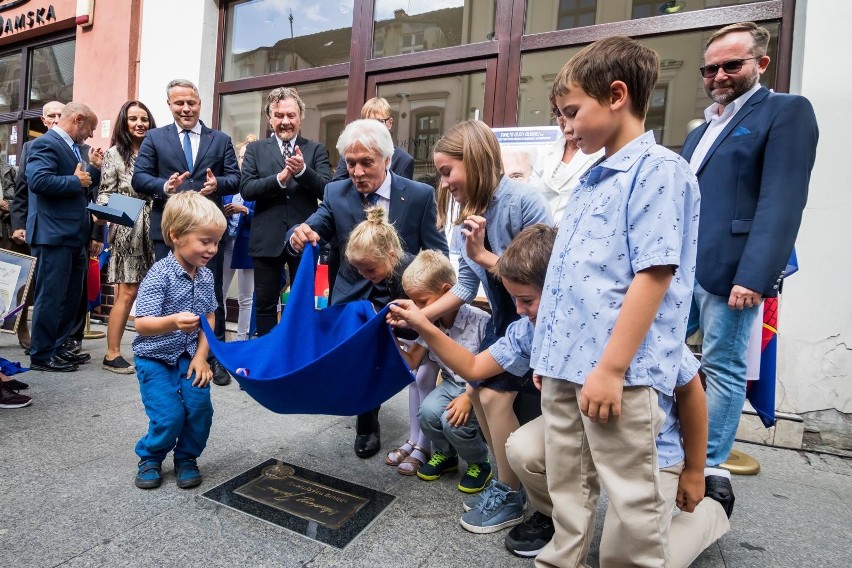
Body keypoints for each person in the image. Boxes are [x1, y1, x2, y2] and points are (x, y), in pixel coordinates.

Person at [529, 36, 700, 567]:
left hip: (617, 373)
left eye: (572, 112)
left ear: (617, 95)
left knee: (633, 499)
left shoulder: (659, 171)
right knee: (567, 482)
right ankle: (562, 558)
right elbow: (571, 278)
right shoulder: (589, 181)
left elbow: (653, 275)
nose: (566, 126)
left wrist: (611, 367)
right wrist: (547, 354)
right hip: (565, 364)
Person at [681, 22, 819, 488]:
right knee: (656, 352)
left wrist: (756, 275)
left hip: (733, 273)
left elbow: (782, 201)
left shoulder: (785, 111)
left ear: (760, 64)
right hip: (683, 271)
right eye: (710, 67)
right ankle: (672, 441)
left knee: (722, 366)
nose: (719, 74)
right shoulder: (701, 131)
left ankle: (711, 461)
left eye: (731, 64)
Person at [412, 119, 551, 533]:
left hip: (532, 320)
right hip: (502, 324)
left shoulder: (525, 201)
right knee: (482, 397)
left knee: (492, 400)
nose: (444, 182)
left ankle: (510, 491)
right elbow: (467, 285)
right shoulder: (466, 217)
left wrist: (484, 253)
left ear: (473, 160)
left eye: (447, 171)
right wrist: (425, 315)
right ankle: (507, 481)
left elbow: (540, 277)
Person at [288, 118, 447, 459]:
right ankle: (367, 423)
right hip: (353, 294)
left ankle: (424, 437)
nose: (357, 171)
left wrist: (398, 266)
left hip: (402, 294)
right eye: (349, 163)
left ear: (387, 160)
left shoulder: (419, 195)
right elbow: (316, 225)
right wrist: (298, 234)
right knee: (360, 359)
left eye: (366, 163)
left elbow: (438, 255)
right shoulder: (336, 191)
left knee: (416, 367)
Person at [132, 79, 240, 386]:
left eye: (191, 102)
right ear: (170, 105)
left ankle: (211, 356)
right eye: (179, 103)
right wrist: (165, 187)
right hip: (172, 230)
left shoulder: (219, 139)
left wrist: (218, 184)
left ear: (199, 104)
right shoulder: (155, 138)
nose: (186, 108)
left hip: (206, 233)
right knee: (169, 291)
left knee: (211, 293)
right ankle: (166, 355)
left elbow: (236, 177)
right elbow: (140, 178)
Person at [131, 191, 226, 490]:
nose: (212, 249)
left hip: (188, 356)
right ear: (176, 235)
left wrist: (201, 357)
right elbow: (142, 324)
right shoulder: (160, 274)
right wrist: (172, 321)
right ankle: (150, 455)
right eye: (205, 241)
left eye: (217, 242)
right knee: (169, 414)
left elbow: (209, 318)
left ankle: (187, 458)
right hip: (154, 358)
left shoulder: (207, 276)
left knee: (200, 409)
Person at [395, 250, 492, 489]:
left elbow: (491, 370)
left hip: (478, 388)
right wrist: (389, 339)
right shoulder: (430, 325)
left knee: (453, 422)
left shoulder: (480, 321)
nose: (418, 310)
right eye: (413, 303)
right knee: (426, 413)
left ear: (447, 292)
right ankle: (446, 456)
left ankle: (479, 462)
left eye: (422, 302)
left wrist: (469, 397)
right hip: (450, 384)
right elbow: (411, 362)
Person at [239, 87, 331, 337]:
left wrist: (302, 172)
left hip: (304, 237)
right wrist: (279, 179)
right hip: (266, 238)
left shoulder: (315, 150)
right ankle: (269, 355)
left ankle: (298, 351)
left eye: (291, 115)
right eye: (279, 115)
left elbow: (327, 189)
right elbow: (246, 189)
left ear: (300, 116)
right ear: (270, 118)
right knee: (265, 304)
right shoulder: (256, 150)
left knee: (303, 304)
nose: (285, 121)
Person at [26, 102, 104, 373]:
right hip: (53, 236)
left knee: (70, 299)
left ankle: (59, 348)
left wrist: (92, 170)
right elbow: (38, 182)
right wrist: (75, 182)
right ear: (78, 119)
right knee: (50, 298)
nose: (91, 135)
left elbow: (82, 184)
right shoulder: (44, 144)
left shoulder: (73, 148)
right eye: (90, 128)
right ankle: (42, 355)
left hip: (74, 236)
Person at [97, 100, 158, 373]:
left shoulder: (157, 149)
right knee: (127, 291)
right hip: (129, 224)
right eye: (133, 119)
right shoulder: (114, 154)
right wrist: (105, 208)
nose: (139, 123)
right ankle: (112, 354)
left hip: (158, 221)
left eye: (144, 118)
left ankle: (155, 348)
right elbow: (105, 191)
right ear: (124, 122)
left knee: (158, 289)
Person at [531, 94, 603, 221]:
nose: (564, 118)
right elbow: (532, 195)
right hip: (540, 234)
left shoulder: (601, 153)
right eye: (558, 112)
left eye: (571, 112)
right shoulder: (545, 153)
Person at [222, 135, 257, 341]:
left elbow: (263, 218)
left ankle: (241, 339)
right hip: (227, 242)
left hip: (247, 244)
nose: (244, 160)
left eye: (248, 156)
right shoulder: (232, 182)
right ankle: (220, 338)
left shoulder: (259, 184)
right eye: (242, 156)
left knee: (246, 297)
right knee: (221, 292)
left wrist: (244, 209)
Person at [331, 96, 414, 181]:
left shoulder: (403, 160)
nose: (373, 127)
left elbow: (402, 191)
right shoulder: (350, 153)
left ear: (390, 123)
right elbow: (337, 187)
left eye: (379, 122)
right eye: (368, 123)